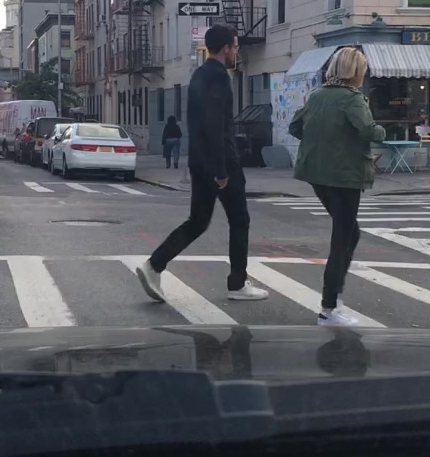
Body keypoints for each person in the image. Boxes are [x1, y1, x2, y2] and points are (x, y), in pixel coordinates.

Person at [135, 24, 269, 302]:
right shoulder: (219, 78)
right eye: (235, 47)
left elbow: (202, 125)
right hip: (221, 163)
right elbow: (214, 125)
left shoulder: (199, 74)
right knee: (240, 220)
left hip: (198, 160)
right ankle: (237, 284)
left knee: (198, 222)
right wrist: (221, 170)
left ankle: (154, 265)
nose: (237, 52)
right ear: (226, 48)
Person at [288, 48, 384, 326]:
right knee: (342, 237)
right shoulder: (352, 99)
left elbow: (295, 127)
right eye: (363, 68)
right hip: (345, 175)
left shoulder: (317, 95)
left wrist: (323, 140)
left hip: (317, 173)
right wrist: (382, 130)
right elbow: (369, 131)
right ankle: (329, 308)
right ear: (355, 71)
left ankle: (334, 299)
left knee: (350, 233)